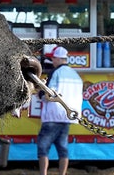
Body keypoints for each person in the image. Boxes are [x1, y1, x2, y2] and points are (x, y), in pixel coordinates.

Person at [37, 46, 83, 175]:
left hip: (53, 115)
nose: (51, 61)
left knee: (43, 148)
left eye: (52, 58)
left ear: (58, 58)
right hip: (68, 116)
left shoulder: (55, 73)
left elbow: (50, 94)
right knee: (63, 148)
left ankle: (43, 173)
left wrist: (40, 94)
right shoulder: (75, 74)